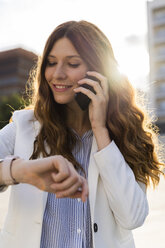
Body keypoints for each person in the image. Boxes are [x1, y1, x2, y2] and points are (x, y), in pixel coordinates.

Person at [0, 20, 163, 248]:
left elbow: (133, 217)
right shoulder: (24, 125)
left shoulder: (126, 134)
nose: (57, 74)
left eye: (72, 63)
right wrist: (22, 171)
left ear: (99, 71)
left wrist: (101, 130)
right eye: (51, 62)